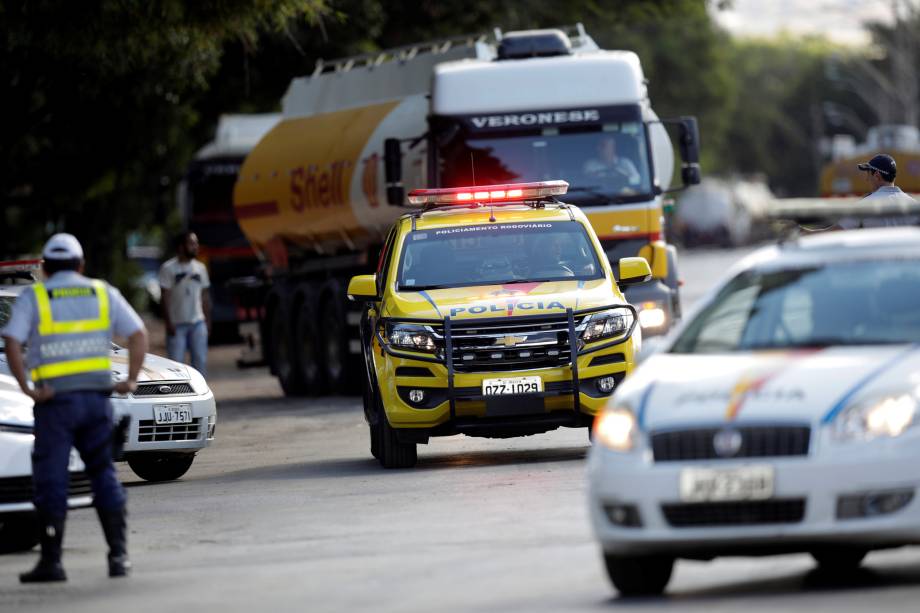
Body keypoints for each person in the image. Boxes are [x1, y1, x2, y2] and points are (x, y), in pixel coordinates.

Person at [1, 233, 148, 582]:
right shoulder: (102, 292)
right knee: (104, 475)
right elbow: (139, 333)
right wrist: (129, 380)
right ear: (81, 265)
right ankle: (119, 557)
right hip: (97, 402)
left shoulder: (36, 297)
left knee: (52, 479)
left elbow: (11, 340)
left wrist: (27, 389)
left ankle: (52, 563)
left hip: (55, 405)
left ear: (45, 268)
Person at [159, 232, 211, 376]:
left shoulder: (200, 268)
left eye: (196, 243)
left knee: (200, 362)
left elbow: (205, 296)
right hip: (177, 325)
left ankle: (201, 395)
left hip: (198, 323)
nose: (196, 247)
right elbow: (164, 297)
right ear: (181, 247)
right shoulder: (168, 268)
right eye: (192, 243)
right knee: (176, 366)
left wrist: (208, 321)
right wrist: (168, 322)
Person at [839, 153, 919, 229]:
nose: (867, 179)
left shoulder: (864, 205)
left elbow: (837, 231)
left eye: (868, 174)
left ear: (877, 176)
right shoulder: (914, 206)